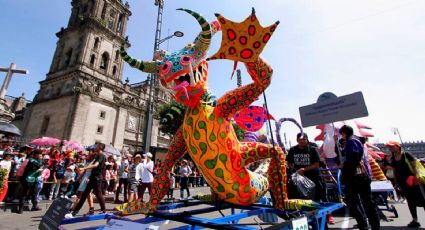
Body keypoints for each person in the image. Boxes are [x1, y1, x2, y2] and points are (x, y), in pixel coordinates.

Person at [339, 125, 380, 230]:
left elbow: (353, 158)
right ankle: (365, 225)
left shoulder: (352, 141)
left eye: (342, 134)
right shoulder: (356, 141)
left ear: (344, 133)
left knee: (363, 203)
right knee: (363, 203)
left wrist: (345, 172)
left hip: (357, 178)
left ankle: (368, 225)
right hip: (359, 177)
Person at [386, 140, 425, 228]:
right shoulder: (393, 158)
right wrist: (396, 183)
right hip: (403, 183)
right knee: (410, 201)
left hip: (413, 181)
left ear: (398, 146)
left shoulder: (406, 155)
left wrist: (416, 177)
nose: (391, 148)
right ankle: (415, 220)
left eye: (393, 146)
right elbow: (395, 171)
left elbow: (415, 166)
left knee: (423, 199)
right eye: (390, 147)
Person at [66, 143, 106, 218]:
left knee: (98, 193)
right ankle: (74, 213)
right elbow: (93, 166)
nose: (95, 147)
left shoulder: (101, 156)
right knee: (85, 194)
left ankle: (103, 210)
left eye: (97, 146)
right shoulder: (97, 155)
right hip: (93, 177)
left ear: (100, 147)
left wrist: (84, 168)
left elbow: (96, 165)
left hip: (97, 178)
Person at [286, 133, 323, 201]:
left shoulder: (312, 150)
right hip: (299, 178)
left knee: (316, 196)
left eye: (304, 139)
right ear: (297, 140)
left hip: (313, 177)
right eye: (300, 139)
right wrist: (294, 170)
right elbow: (289, 162)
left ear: (307, 140)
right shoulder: (292, 150)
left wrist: (304, 169)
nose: (302, 141)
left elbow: (316, 165)